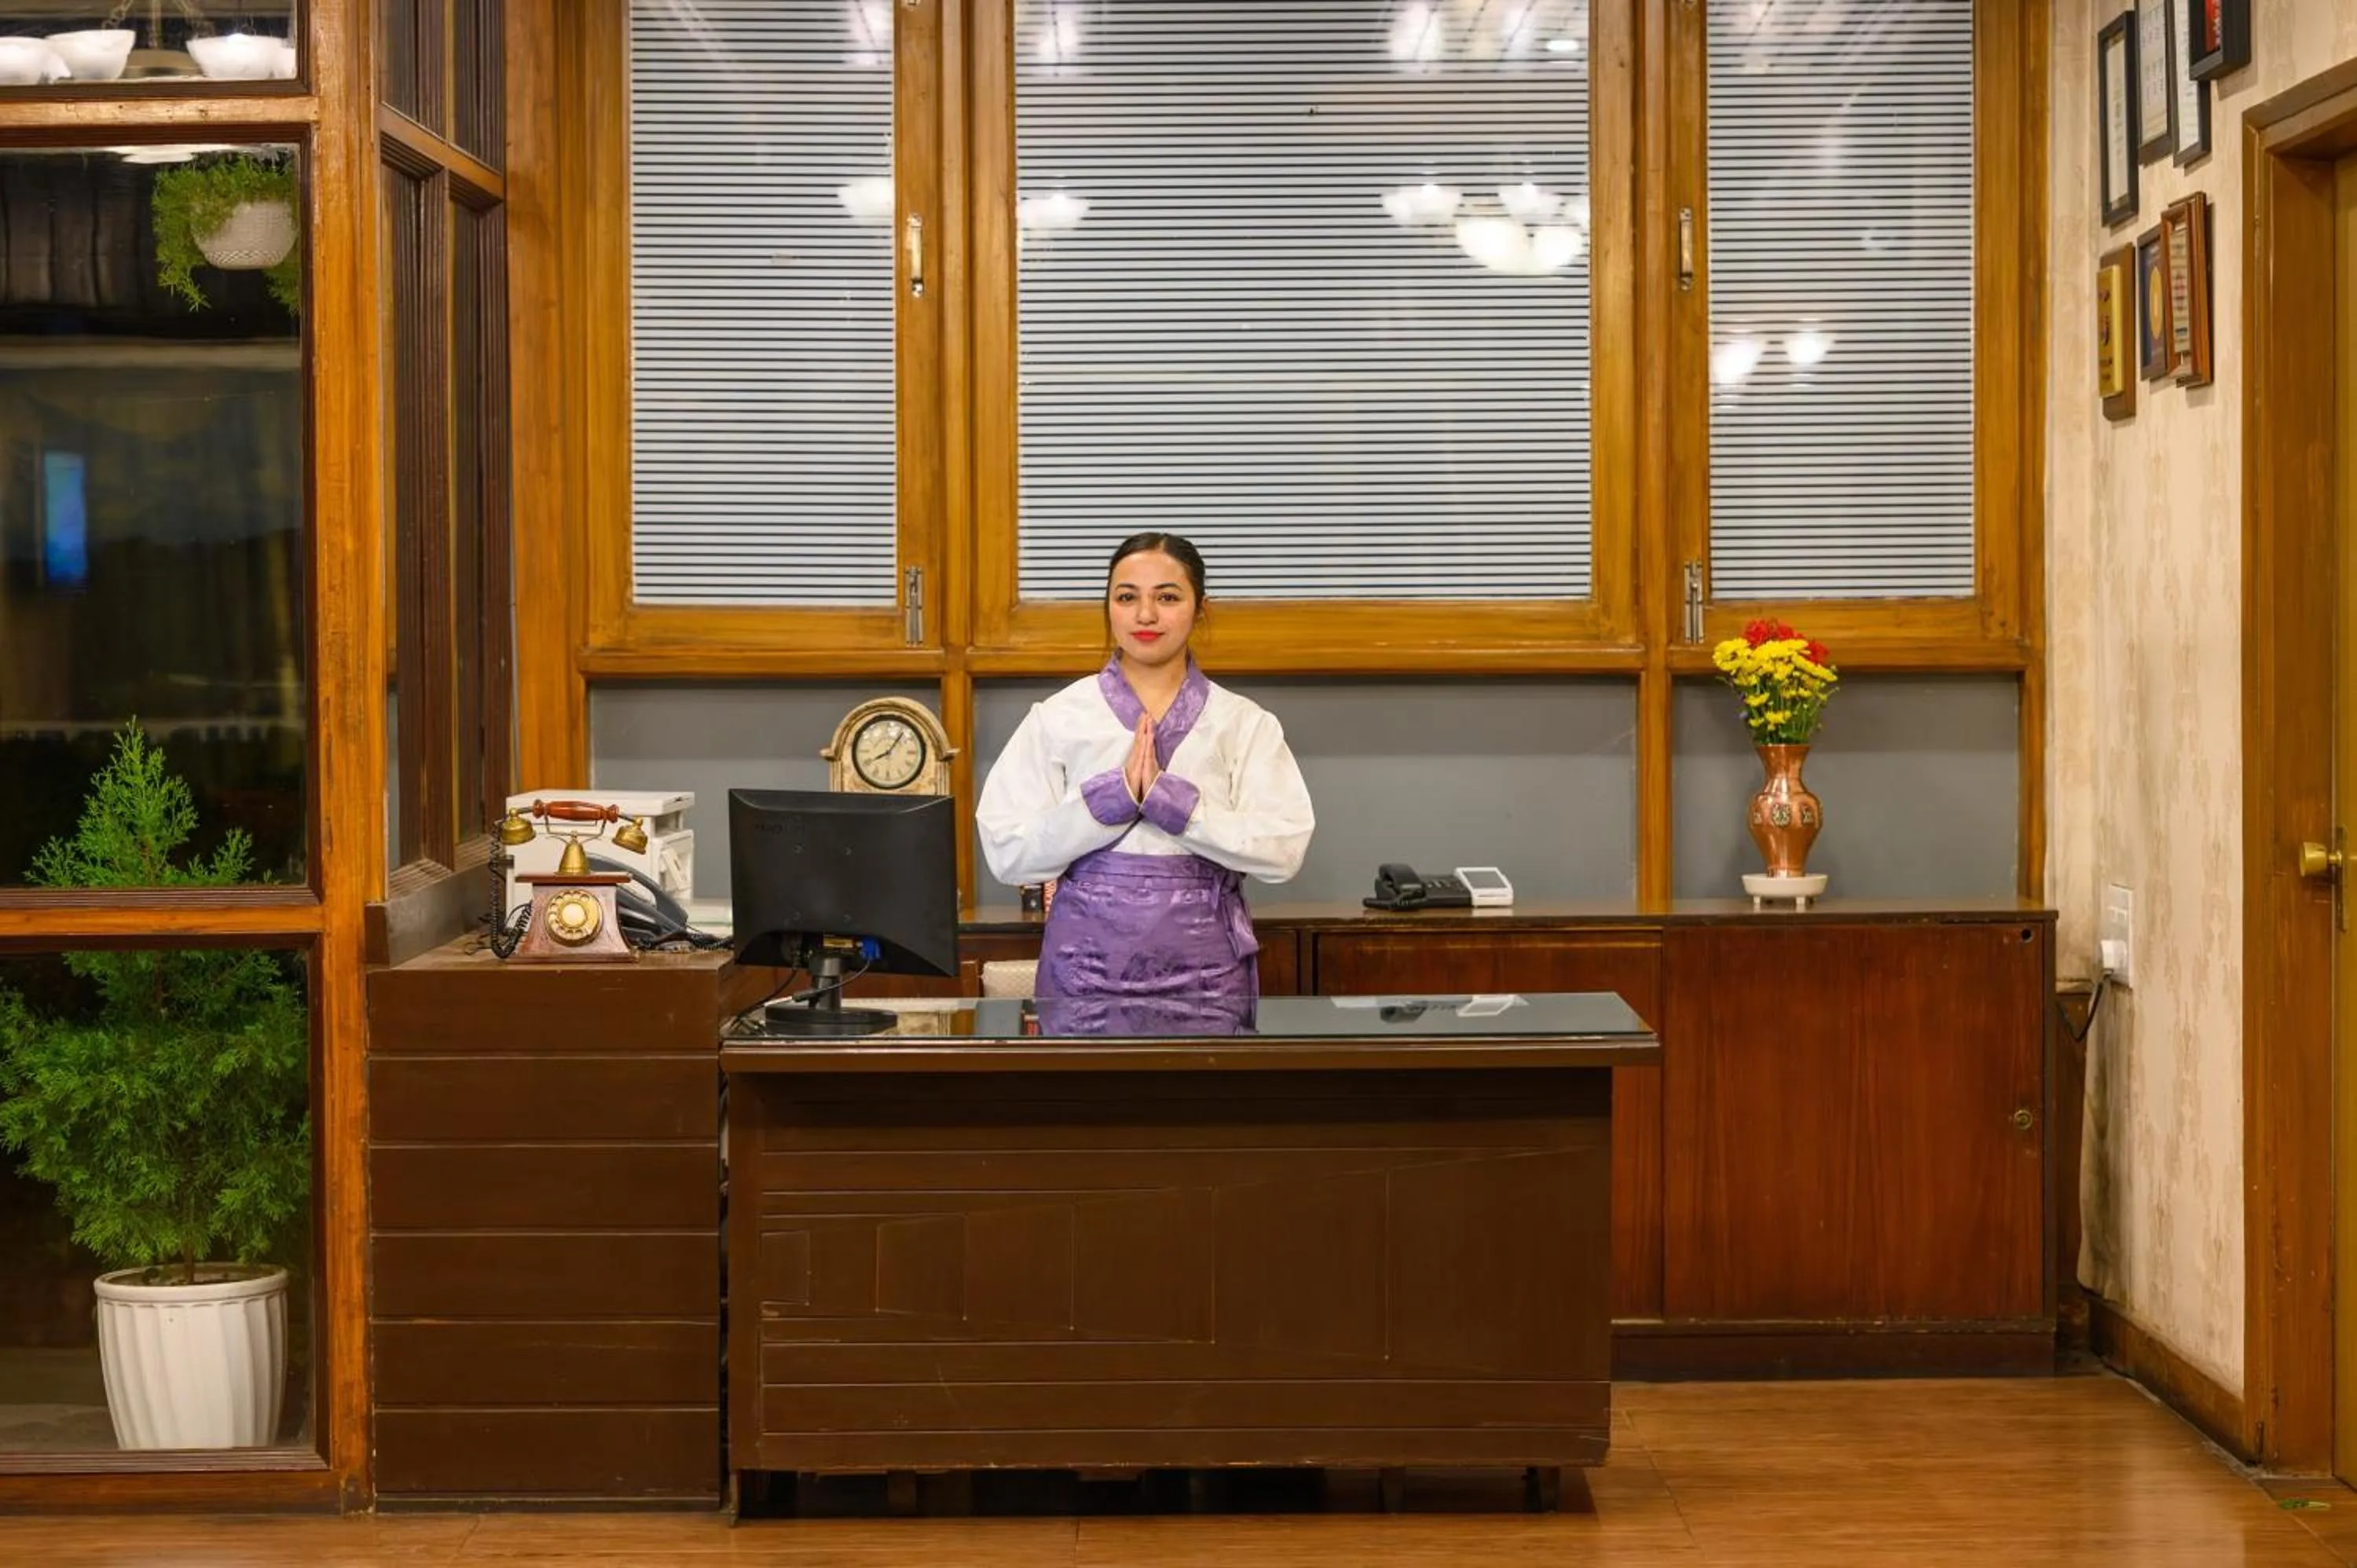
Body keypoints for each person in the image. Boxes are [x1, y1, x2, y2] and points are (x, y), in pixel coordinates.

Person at [976, 532, 1314, 1003]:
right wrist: (1106, 802)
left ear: (1200, 609)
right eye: (1127, 597)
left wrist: (1175, 806)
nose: (1146, 615)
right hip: (1083, 978)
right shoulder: (1059, 717)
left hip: (1209, 982)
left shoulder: (1243, 723)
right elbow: (1007, 851)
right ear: (1109, 607)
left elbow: (1284, 849)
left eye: (1168, 597)